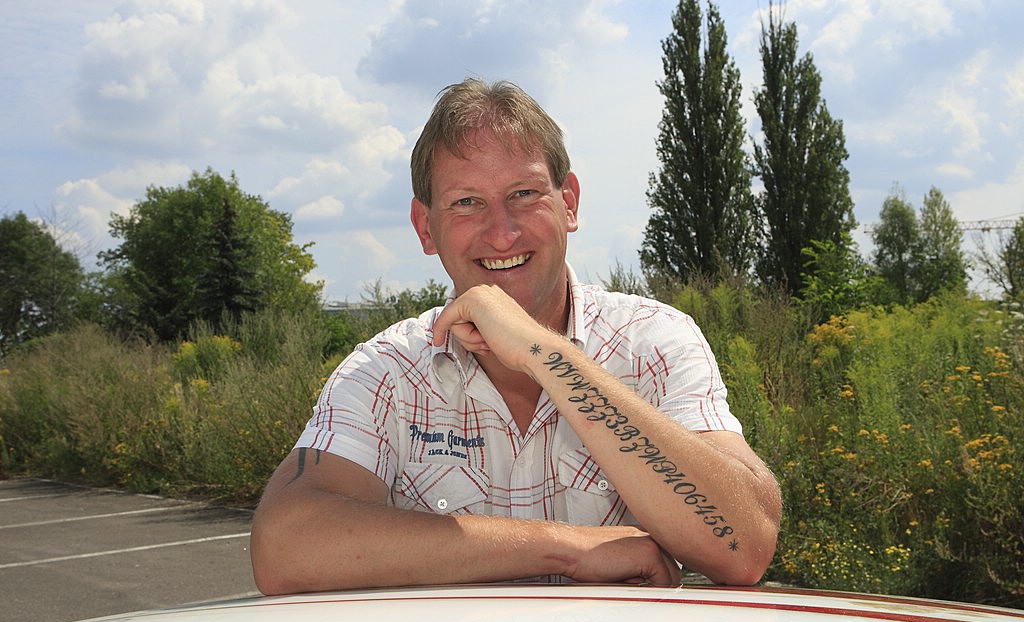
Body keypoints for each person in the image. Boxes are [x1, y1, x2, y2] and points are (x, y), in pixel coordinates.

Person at [250, 78, 781, 595]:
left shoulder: (653, 344)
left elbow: (745, 545)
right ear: (425, 227)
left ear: (569, 203)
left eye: (524, 194)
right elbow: (284, 546)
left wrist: (545, 353)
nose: (502, 232)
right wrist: (563, 548)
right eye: (466, 202)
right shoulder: (386, 373)